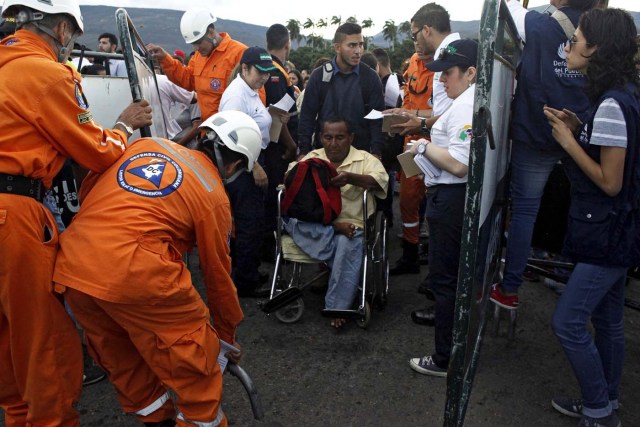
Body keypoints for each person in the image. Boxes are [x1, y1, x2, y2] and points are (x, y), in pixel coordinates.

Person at [53, 110, 262, 427]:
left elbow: (91, 187)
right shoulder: (214, 197)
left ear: (203, 137)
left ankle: (157, 420)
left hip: (75, 265)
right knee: (197, 372)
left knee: (126, 365)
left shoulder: (144, 146)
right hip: (138, 271)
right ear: (235, 165)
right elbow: (218, 277)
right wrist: (224, 337)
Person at [0, 0, 152, 423]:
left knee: (5, 338)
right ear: (63, 30)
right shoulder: (46, 74)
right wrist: (123, 127)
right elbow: (97, 151)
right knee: (43, 341)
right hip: (14, 214)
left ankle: (18, 416)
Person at [542, 8, 639, 426]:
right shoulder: (619, 95)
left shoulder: (613, 105)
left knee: (567, 322)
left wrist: (568, 141)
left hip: (608, 232)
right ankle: (607, 400)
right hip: (620, 231)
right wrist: (581, 125)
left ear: (596, 48)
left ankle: (600, 412)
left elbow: (610, 181)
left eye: (577, 39)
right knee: (608, 320)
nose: (570, 46)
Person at [489, 0, 598, 310]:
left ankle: (510, 289)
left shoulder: (536, 20)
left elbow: (504, 8)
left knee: (525, 211)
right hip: (582, 129)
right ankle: (581, 280)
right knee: (588, 206)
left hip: (537, 131)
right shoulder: (602, 27)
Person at [406, 39, 478, 377]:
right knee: (451, 279)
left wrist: (423, 146)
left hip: (451, 198)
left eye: (448, 73)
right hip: (449, 196)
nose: (443, 80)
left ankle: (444, 358)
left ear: (470, 73)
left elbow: (460, 165)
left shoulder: (465, 107)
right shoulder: (462, 102)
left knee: (446, 281)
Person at [284, 117, 388, 328]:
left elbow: (379, 181)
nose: (333, 143)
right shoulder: (313, 157)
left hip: (350, 224)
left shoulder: (365, 159)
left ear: (351, 138)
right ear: (321, 138)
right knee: (291, 220)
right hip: (314, 224)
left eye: (340, 137)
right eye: (328, 137)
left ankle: (336, 306)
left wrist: (351, 178)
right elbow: (289, 179)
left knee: (347, 242)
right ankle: (334, 229)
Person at [219, 46, 275, 297]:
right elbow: (232, 137)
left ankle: (248, 271)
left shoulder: (251, 91)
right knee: (249, 223)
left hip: (252, 161)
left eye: (267, 73)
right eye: (259, 72)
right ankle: (245, 282)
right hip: (244, 165)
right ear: (244, 68)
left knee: (253, 221)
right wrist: (256, 166)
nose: (264, 77)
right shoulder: (236, 96)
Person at [147, 7, 260, 122]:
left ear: (211, 32)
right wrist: (165, 59)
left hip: (231, 131)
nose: (195, 48)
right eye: (193, 44)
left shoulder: (240, 54)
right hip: (208, 132)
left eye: (198, 43)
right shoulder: (198, 56)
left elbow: (256, 97)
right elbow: (187, 79)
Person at [298, 22, 385, 157]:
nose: (358, 51)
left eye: (361, 44)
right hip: (324, 155)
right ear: (337, 47)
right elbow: (307, 117)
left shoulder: (370, 77)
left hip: (360, 156)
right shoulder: (319, 76)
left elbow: (377, 120)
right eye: (352, 45)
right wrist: (303, 151)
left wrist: (376, 152)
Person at [261, 24, 299, 262]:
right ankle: (271, 248)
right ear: (287, 44)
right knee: (274, 197)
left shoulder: (274, 68)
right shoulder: (274, 72)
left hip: (276, 144)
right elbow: (279, 116)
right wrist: (291, 146)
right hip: (277, 147)